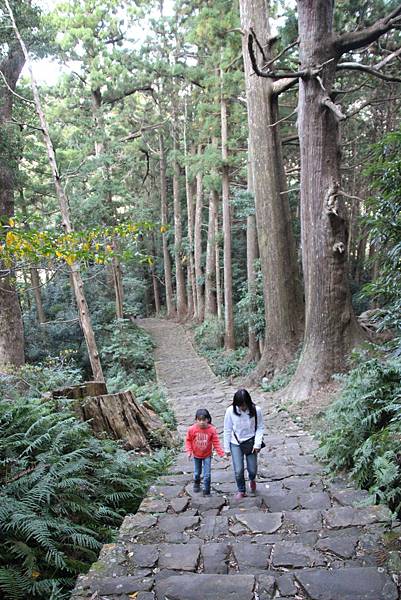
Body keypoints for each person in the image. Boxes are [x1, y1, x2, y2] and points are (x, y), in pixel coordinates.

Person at [224, 388, 264, 499]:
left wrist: (257, 444)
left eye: (244, 405)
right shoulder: (230, 411)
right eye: (240, 405)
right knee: (238, 470)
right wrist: (226, 448)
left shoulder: (256, 410)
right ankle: (241, 489)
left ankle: (252, 479)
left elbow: (260, 427)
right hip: (235, 442)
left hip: (251, 441)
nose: (242, 407)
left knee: (252, 469)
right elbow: (227, 429)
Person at [185, 408, 225, 496]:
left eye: (204, 420)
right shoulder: (192, 429)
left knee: (207, 474)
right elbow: (188, 441)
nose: (202, 422)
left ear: (208, 419)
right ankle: (197, 482)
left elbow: (216, 443)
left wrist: (221, 454)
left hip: (207, 455)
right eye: (199, 420)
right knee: (197, 472)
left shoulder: (212, 430)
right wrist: (189, 451)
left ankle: (207, 490)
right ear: (196, 420)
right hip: (196, 455)